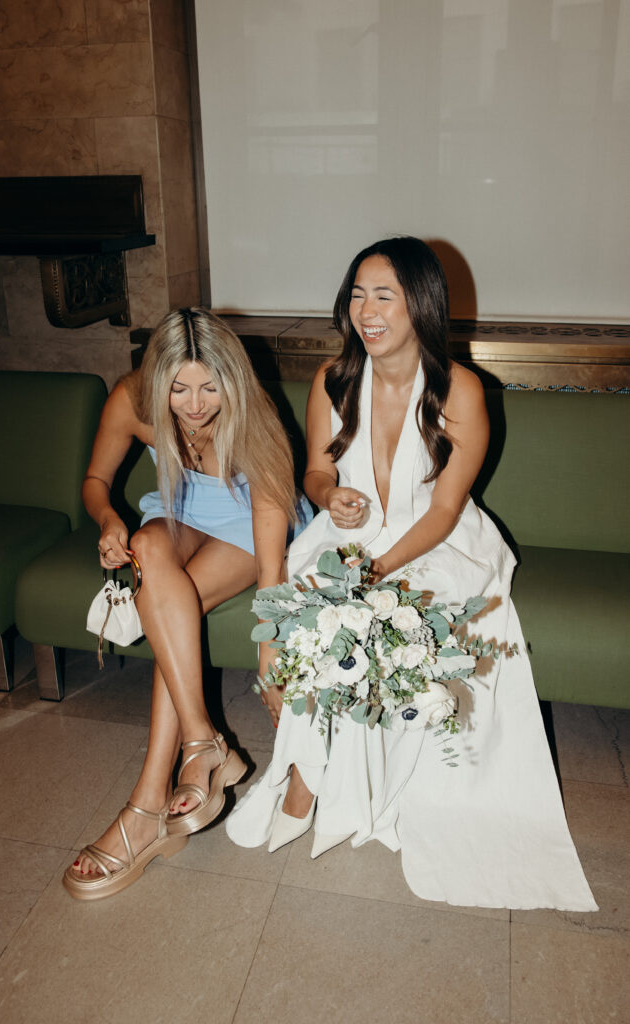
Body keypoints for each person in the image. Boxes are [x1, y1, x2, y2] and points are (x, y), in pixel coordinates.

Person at [225, 237, 597, 911]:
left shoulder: (461, 390)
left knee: (382, 614)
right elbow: (315, 468)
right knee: (307, 608)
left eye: (383, 295)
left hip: (437, 541)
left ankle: (340, 777)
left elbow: (448, 506)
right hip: (350, 533)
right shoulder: (332, 379)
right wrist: (328, 494)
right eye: (356, 295)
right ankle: (309, 769)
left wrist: (378, 569)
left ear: (419, 305)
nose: (365, 311)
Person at [63, 307, 312, 900]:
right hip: (179, 512)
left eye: (209, 387)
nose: (195, 405)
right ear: (156, 381)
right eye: (178, 388)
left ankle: (147, 806)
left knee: (168, 606)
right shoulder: (131, 400)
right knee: (148, 544)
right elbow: (95, 482)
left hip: (255, 523)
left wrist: (269, 644)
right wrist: (107, 522)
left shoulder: (256, 416)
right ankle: (205, 742)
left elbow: (272, 554)